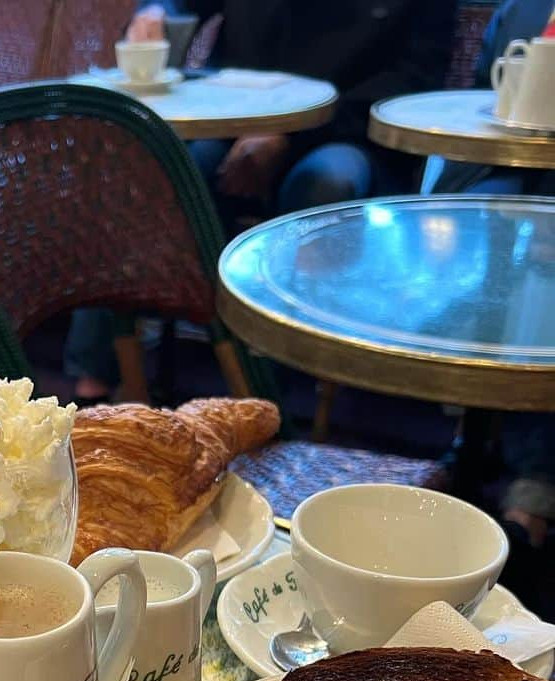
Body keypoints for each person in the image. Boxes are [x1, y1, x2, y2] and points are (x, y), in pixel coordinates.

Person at [65, 0, 457, 401]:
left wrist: (290, 136)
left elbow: (412, 83)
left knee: (324, 185)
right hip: (232, 120)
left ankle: (262, 398)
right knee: (158, 171)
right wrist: (157, 11)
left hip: (347, 133)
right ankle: (90, 387)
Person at [434, 0, 554, 593]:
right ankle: (468, 432)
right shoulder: (522, 10)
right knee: (489, 223)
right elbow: (485, 102)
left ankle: (530, 490)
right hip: (512, 165)